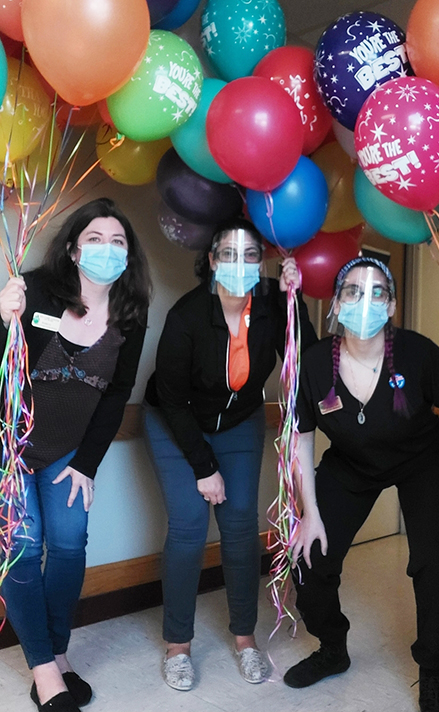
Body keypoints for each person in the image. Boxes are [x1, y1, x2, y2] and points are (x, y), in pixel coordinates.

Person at [282, 257, 439, 712]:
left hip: (424, 461)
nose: (365, 301)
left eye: (377, 292)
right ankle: (332, 649)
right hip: (351, 464)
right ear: (336, 304)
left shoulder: (415, 352)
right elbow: (300, 436)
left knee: (435, 562)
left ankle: (434, 673)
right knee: (309, 557)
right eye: (353, 291)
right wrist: (310, 514)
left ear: (392, 305)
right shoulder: (315, 362)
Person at [143, 217, 317, 692]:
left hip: (238, 422)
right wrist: (205, 469)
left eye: (250, 255)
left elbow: (307, 361)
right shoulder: (186, 316)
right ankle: (178, 646)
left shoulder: (271, 306)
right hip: (175, 422)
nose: (239, 264)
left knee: (240, 522)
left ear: (262, 263)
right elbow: (173, 401)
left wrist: (294, 299)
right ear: (211, 261)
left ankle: (245, 638)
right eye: (228, 254)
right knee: (189, 524)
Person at [0, 198, 151, 712]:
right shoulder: (36, 289)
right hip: (10, 447)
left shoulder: (132, 313)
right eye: (94, 239)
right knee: (23, 543)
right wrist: (3, 321)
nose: (105, 250)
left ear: (128, 256)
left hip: (68, 451)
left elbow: (115, 396)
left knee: (67, 545)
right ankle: (44, 672)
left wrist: (86, 465)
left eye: (117, 242)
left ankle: (58, 654)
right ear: (72, 247)